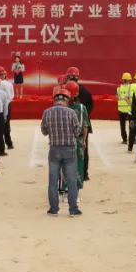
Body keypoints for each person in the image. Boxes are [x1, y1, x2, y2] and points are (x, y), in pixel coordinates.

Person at [40, 86, 83, 217]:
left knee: (53, 181)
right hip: (69, 149)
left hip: (54, 149)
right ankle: (73, 209)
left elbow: (44, 131)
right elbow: (77, 132)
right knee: (71, 180)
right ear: (67, 99)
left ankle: (53, 209)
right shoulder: (71, 113)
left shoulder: (47, 112)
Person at [62, 80, 89, 198]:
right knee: (78, 165)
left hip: (65, 141)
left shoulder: (62, 108)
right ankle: (76, 192)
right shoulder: (82, 108)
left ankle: (65, 189)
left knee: (65, 165)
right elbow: (85, 125)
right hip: (78, 140)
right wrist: (84, 140)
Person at [65, 67, 93, 179]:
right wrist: (83, 115)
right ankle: (84, 174)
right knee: (83, 149)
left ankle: (69, 173)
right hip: (83, 124)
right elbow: (91, 107)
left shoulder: (65, 90)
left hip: (68, 125)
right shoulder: (86, 91)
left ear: (68, 77)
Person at [0, 66, 15, 151]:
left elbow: (11, 95)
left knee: (6, 124)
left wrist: (5, 103)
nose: (0, 76)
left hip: (6, 105)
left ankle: (8, 142)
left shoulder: (8, 84)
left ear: (5, 74)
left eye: (1, 74)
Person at [116, 73, 133, 144]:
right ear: (130, 80)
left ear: (123, 80)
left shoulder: (119, 88)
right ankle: (132, 138)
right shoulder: (131, 88)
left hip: (121, 109)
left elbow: (117, 97)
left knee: (122, 125)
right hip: (129, 109)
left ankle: (124, 139)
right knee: (131, 125)